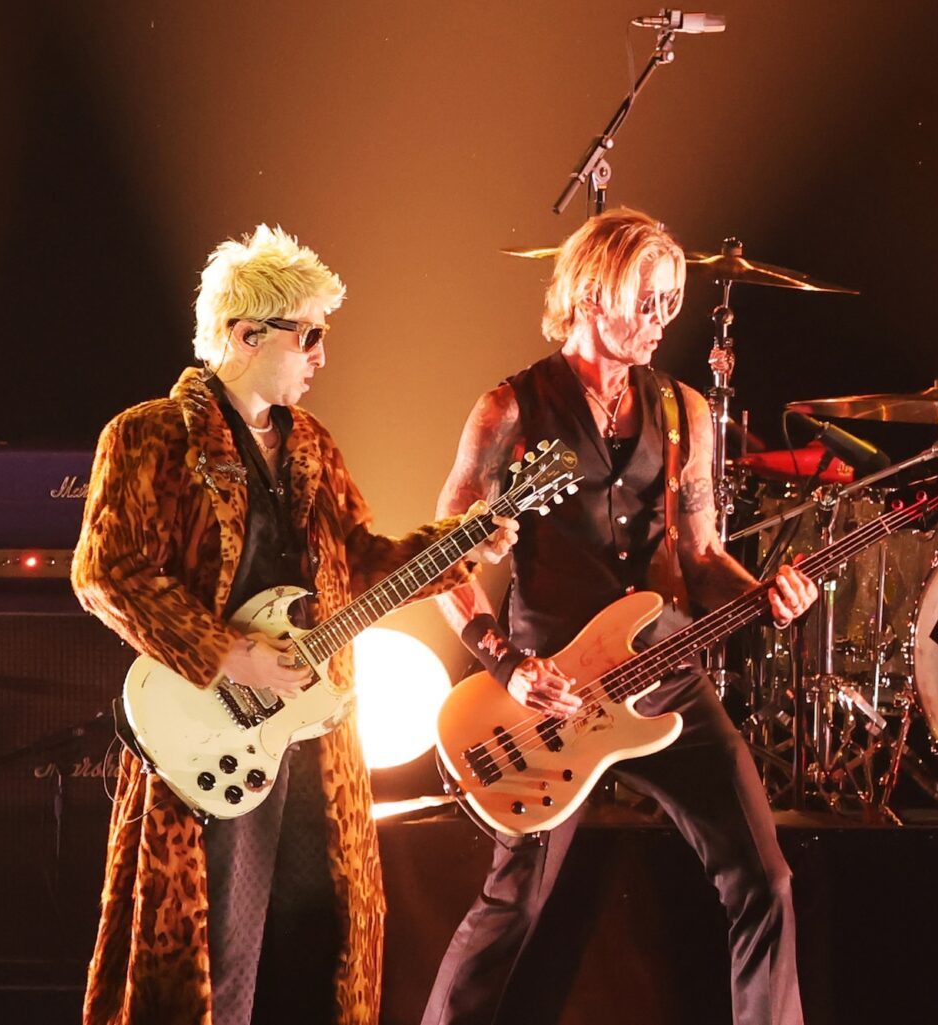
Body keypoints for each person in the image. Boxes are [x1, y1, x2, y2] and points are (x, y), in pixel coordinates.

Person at [71, 224, 515, 1025]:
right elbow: (105, 573)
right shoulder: (147, 437)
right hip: (210, 739)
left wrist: (464, 544)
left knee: (315, 948)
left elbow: (365, 564)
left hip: (315, 745)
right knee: (216, 959)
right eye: (308, 333)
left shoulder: (312, 444)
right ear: (245, 334)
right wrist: (229, 655)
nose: (320, 353)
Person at [422, 208, 817, 1025]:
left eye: (671, 301)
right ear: (592, 292)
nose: (660, 320)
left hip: (665, 675)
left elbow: (702, 559)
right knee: (515, 907)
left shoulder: (684, 412)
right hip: (551, 692)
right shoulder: (511, 410)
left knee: (765, 878)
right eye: (647, 299)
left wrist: (765, 595)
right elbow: (442, 563)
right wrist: (510, 666)